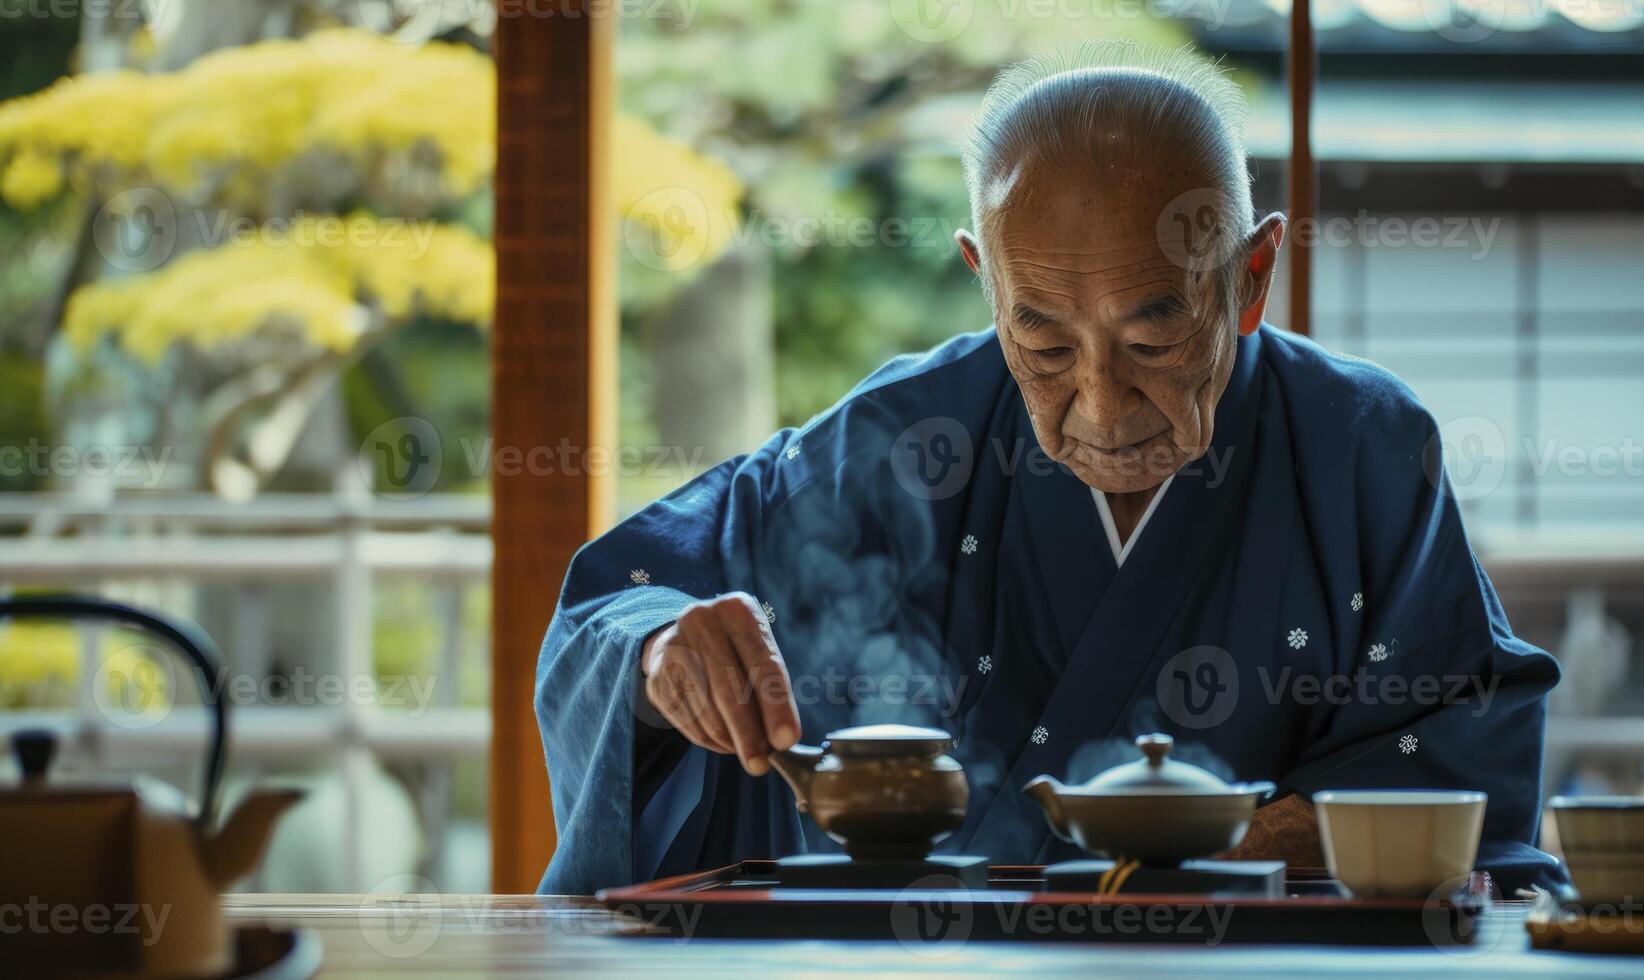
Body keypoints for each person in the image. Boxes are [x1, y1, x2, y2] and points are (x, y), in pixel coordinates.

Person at [536, 41, 1563, 895]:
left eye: (1155, 342)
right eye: (1046, 344)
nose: (1102, 406)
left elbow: (1466, 733)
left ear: (1251, 276)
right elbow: (616, 603)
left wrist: (1292, 839)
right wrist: (664, 651)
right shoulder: (903, 438)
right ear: (986, 282)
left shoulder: (1362, 443)